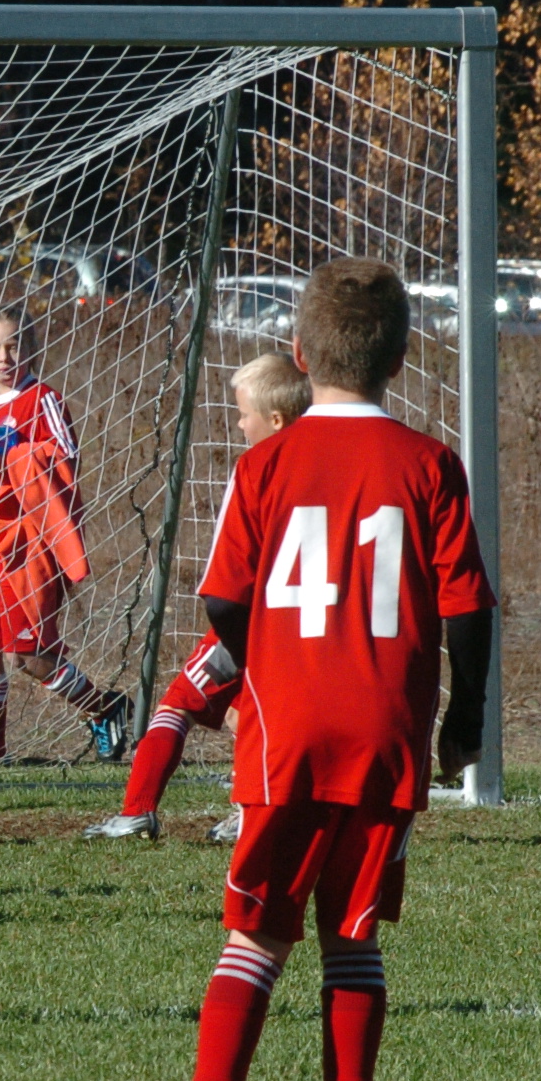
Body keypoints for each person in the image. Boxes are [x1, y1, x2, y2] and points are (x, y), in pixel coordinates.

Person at [170, 257, 496, 1081]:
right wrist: (462, 719)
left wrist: (267, 668)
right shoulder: (430, 465)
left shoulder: (264, 464)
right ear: (398, 358)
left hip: (287, 735)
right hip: (383, 736)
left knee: (253, 942)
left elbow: (223, 599)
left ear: (301, 355)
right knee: (352, 941)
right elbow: (469, 611)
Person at [85, 354, 312, 841]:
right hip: (310, 621)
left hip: (249, 620)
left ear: (275, 420)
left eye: (244, 414)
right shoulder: (325, 466)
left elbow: (227, 578)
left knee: (178, 703)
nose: (239, 424)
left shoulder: (255, 468)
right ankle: (256, 810)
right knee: (254, 711)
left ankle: (138, 810)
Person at [0, 309, 131, 766]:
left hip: (29, 546)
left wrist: (9, 448)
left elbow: (64, 459)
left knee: (30, 656)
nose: (5, 356)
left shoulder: (44, 398)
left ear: (32, 349)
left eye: (14, 345)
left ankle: (104, 708)